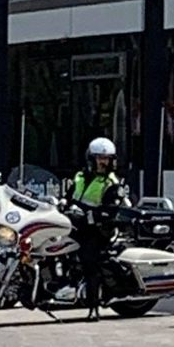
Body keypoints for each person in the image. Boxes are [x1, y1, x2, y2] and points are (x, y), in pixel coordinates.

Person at [66, 137, 127, 321]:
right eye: (99, 158)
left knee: (89, 261)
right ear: (90, 158)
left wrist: (87, 215)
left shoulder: (112, 183)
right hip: (74, 224)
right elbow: (69, 197)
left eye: (106, 158)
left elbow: (109, 211)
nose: (103, 162)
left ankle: (94, 307)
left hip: (98, 230)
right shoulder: (80, 176)